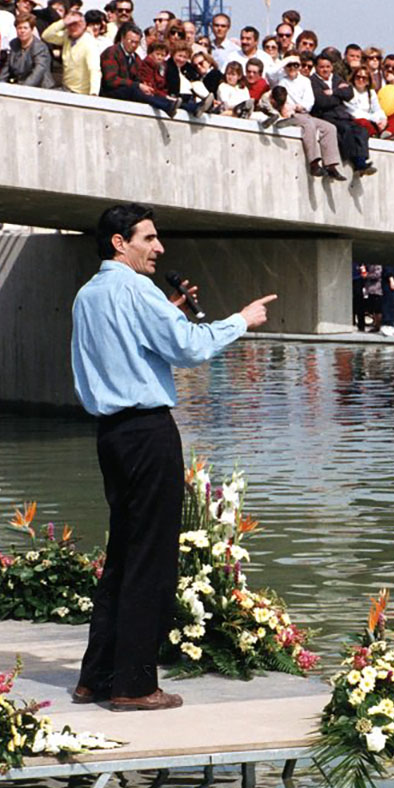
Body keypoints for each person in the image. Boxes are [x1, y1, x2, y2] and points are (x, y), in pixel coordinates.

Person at [70, 203, 274, 712]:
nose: (159, 247)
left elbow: (134, 344)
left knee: (122, 554)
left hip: (111, 434)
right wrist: (241, 321)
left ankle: (96, 677)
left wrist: (172, 307)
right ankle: (135, 685)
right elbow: (187, 347)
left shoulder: (87, 294)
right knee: (150, 558)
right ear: (120, 243)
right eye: (149, 238)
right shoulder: (135, 288)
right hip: (146, 430)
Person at [42, 9, 101, 95]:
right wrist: (63, 22)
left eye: (76, 24)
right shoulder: (67, 36)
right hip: (65, 88)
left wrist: (93, 94)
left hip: (81, 93)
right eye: (70, 24)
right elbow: (46, 36)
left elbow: (94, 70)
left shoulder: (89, 43)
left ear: (84, 25)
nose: (73, 27)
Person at [0, 12, 52, 86]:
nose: (22, 31)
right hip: (18, 83)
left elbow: (38, 71)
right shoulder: (14, 44)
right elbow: (7, 67)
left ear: (32, 29)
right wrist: (0, 84)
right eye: (19, 28)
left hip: (39, 87)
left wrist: (23, 88)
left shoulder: (40, 48)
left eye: (25, 28)